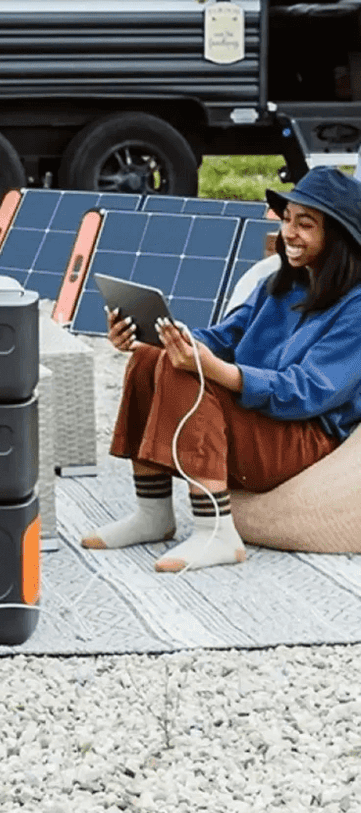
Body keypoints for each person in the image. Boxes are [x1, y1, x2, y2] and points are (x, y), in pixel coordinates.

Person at [83, 166, 361, 572]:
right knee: (151, 359)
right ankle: (153, 513)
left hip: (305, 435)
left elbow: (307, 391)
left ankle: (216, 533)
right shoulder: (280, 286)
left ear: (338, 234)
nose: (290, 233)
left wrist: (216, 371)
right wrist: (157, 337)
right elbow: (221, 338)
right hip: (262, 417)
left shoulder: (356, 306)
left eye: (306, 224)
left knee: (191, 376)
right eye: (286, 220)